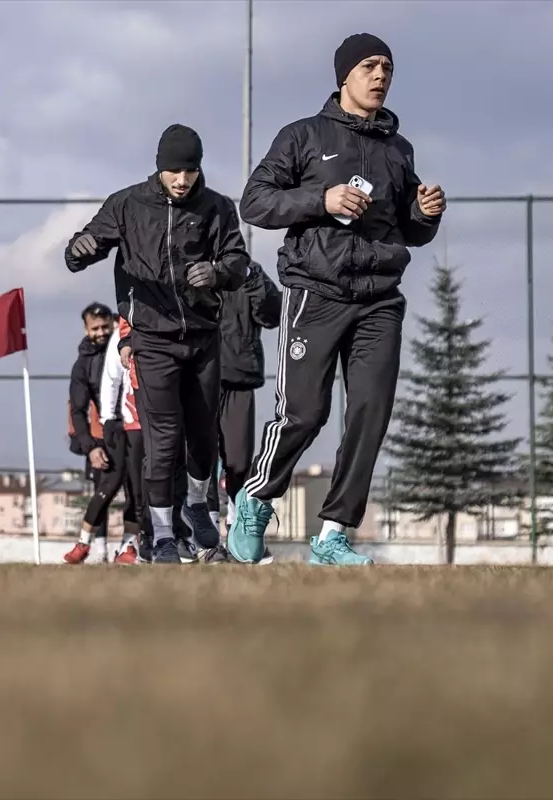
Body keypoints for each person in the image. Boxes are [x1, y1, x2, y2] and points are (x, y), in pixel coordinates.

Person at [229, 34, 445, 566]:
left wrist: (426, 213)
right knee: (304, 413)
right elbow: (254, 202)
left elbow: (410, 232)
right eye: (369, 66)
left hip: (379, 301)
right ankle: (256, 499)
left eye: (387, 68)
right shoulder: (303, 135)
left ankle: (332, 536)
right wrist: (318, 199)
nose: (380, 76)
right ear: (344, 75)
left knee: (369, 412)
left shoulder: (399, 150)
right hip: (316, 292)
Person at [65, 124, 251, 564]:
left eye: (189, 170)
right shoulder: (128, 204)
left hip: (204, 336)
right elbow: (79, 251)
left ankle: (199, 505)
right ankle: (163, 535)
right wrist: (81, 248)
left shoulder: (218, 208)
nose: (181, 179)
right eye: (173, 170)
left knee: (204, 434)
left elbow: (239, 262)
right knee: (163, 438)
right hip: (151, 339)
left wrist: (218, 272)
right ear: (159, 168)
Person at [207, 261, 282, 530]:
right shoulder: (186, 264)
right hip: (199, 377)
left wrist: (252, 278)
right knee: (201, 459)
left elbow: (273, 314)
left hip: (239, 376)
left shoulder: (249, 272)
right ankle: (207, 529)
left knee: (238, 461)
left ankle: (237, 522)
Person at [64, 303, 118, 564]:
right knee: (103, 490)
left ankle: (134, 547)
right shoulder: (83, 365)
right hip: (100, 436)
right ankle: (100, 549)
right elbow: (77, 409)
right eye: (95, 328)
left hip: (133, 431)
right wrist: (89, 445)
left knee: (139, 492)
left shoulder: (126, 349)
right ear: (86, 329)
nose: (101, 332)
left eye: (105, 326)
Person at [98, 317, 148, 565]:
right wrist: (108, 419)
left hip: (166, 422)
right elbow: (112, 378)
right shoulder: (124, 327)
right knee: (136, 491)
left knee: (167, 484)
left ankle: (167, 540)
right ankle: (131, 545)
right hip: (133, 424)